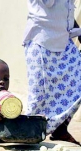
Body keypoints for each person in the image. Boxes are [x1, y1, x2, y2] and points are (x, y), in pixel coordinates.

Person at [23, 0, 81, 145]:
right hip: (41, 41)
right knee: (39, 95)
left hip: (63, 41)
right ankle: (28, 135)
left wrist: (78, 31)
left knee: (77, 82)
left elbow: (65, 10)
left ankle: (60, 128)